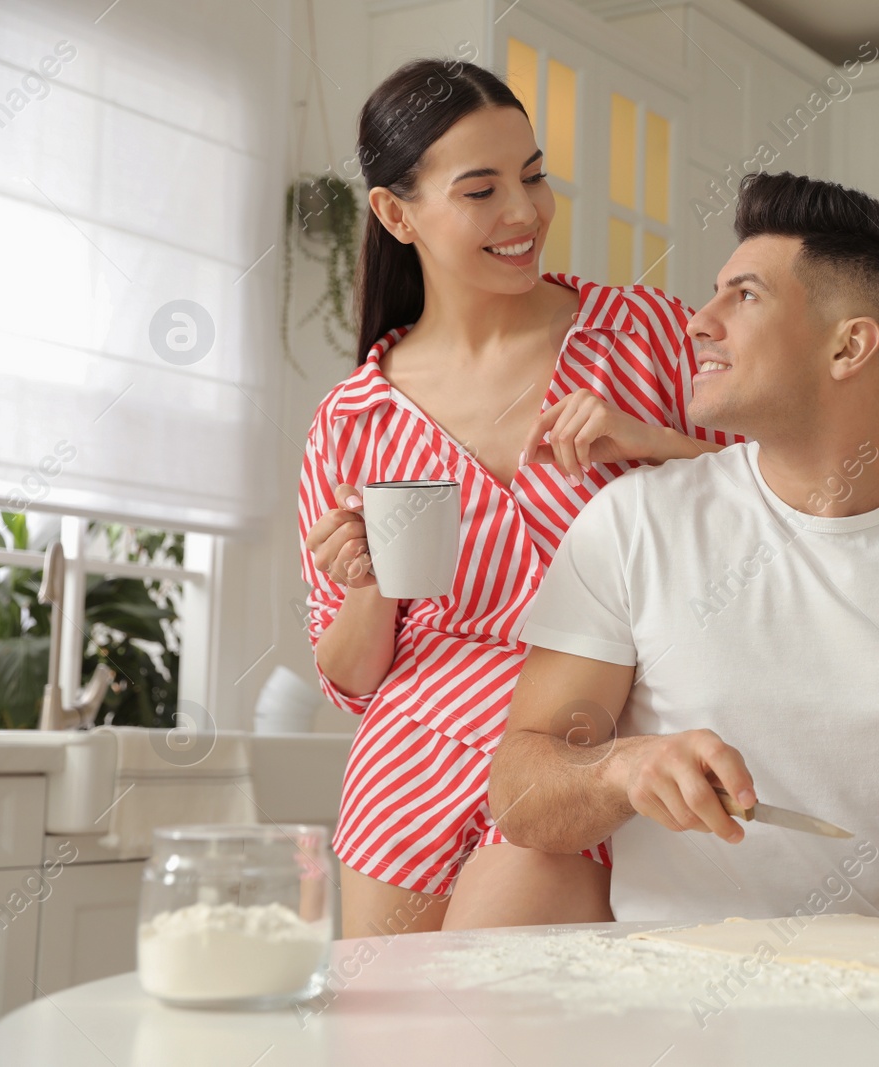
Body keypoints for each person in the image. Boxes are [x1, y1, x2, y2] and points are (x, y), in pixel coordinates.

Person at [491, 171, 879, 937]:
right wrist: (621, 768)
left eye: (744, 296)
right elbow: (519, 791)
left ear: (849, 344)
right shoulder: (631, 522)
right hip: (678, 997)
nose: (699, 321)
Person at [297, 58, 735, 938]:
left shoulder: (644, 336)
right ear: (395, 213)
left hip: (577, 751)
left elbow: (786, 515)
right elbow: (349, 677)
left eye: (533, 176)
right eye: (482, 189)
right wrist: (368, 584)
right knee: (378, 1036)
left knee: (484, 1026)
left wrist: (659, 444)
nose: (525, 213)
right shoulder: (354, 416)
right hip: (407, 760)